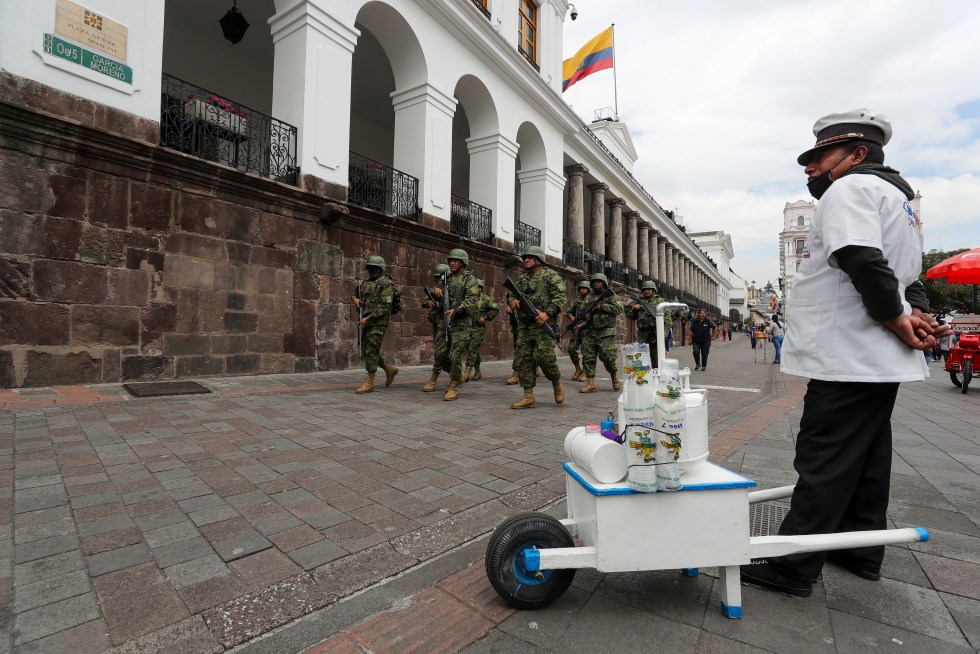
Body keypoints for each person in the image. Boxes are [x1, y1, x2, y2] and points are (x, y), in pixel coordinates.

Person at [741, 109, 948, 597]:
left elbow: (861, 257)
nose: (810, 168)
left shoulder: (850, 189)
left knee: (824, 452)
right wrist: (911, 312)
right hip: (874, 356)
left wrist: (896, 317)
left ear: (856, 154)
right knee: (868, 455)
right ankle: (858, 548)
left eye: (820, 156)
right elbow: (909, 276)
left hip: (847, 351)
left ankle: (793, 564)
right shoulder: (901, 201)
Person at [506, 246, 566, 409]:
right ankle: (528, 396)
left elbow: (560, 298)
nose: (525, 260)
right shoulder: (523, 279)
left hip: (543, 326)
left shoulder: (550, 276)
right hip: (525, 326)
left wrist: (547, 313)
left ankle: (556, 382)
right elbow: (512, 293)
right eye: (524, 257)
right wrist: (513, 302)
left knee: (545, 359)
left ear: (538, 260)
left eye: (529, 257)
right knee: (523, 360)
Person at [432, 248, 479, 401]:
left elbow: (472, 300)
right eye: (450, 260)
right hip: (444, 322)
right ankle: (457, 375)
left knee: (455, 355)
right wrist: (436, 289)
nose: (452, 263)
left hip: (461, 324)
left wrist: (457, 310)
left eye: (455, 261)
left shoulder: (469, 279)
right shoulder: (446, 277)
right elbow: (436, 289)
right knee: (440, 354)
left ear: (462, 263)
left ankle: (453, 385)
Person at [352, 256, 399, 393]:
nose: (372, 270)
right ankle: (389, 370)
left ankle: (370, 382)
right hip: (366, 320)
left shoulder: (386, 283)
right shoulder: (366, 283)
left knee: (372, 350)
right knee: (368, 350)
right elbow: (357, 295)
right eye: (370, 268)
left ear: (380, 268)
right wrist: (355, 299)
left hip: (378, 322)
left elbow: (385, 306)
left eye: (374, 268)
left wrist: (370, 317)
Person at [578, 273, 624, 393]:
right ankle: (591, 383)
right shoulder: (589, 297)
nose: (596, 283)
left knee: (608, 358)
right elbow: (583, 310)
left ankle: (614, 376)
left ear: (604, 283)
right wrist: (586, 316)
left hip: (606, 332)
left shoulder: (611, 296)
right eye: (594, 282)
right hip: (591, 331)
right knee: (588, 357)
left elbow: (619, 309)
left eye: (599, 282)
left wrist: (603, 307)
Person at [626, 280, 672, 368]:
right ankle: (643, 377)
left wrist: (665, 331)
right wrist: (635, 309)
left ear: (653, 290)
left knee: (656, 357)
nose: (647, 291)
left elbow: (667, 319)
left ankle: (657, 375)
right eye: (645, 289)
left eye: (650, 289)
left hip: (656, 332)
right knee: (641, 357)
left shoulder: (660, 301)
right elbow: (631, 316)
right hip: (642, 334)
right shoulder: (639, 301)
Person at [422, 264, 451, 392]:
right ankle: (441, 377)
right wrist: (429, 301)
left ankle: (449, 377)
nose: (437, 281)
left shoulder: (454, 286)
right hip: (439, 324)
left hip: (453, 324)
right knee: (440, 352)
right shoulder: (436, 288)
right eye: (436, 279)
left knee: (450, 353)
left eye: (439, 278)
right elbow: (425, 299)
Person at [463, 279, 499, 382]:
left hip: (478, 328)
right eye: (474, 287)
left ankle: (466, 373)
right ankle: (478, 371)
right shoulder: (467, 299)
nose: (476, 289)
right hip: (467, 327)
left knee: (472, 349)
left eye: (478, 287)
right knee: (472, 350)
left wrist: (485, 317)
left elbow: (495, 308)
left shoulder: (486, 299)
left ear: (481, 289)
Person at [565, 280, 591, 381]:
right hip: (576, 330)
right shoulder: (577, 300)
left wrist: (582, 324)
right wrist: (572, 319)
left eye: (584, 288)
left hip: (587, 330)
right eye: (580, 288)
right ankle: (578, 369)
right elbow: (568, 312)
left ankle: (585, 372)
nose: (581, 290)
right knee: (571, 349)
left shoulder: (591, 301)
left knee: (586, 352)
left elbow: (592, 318)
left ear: (588, 289)